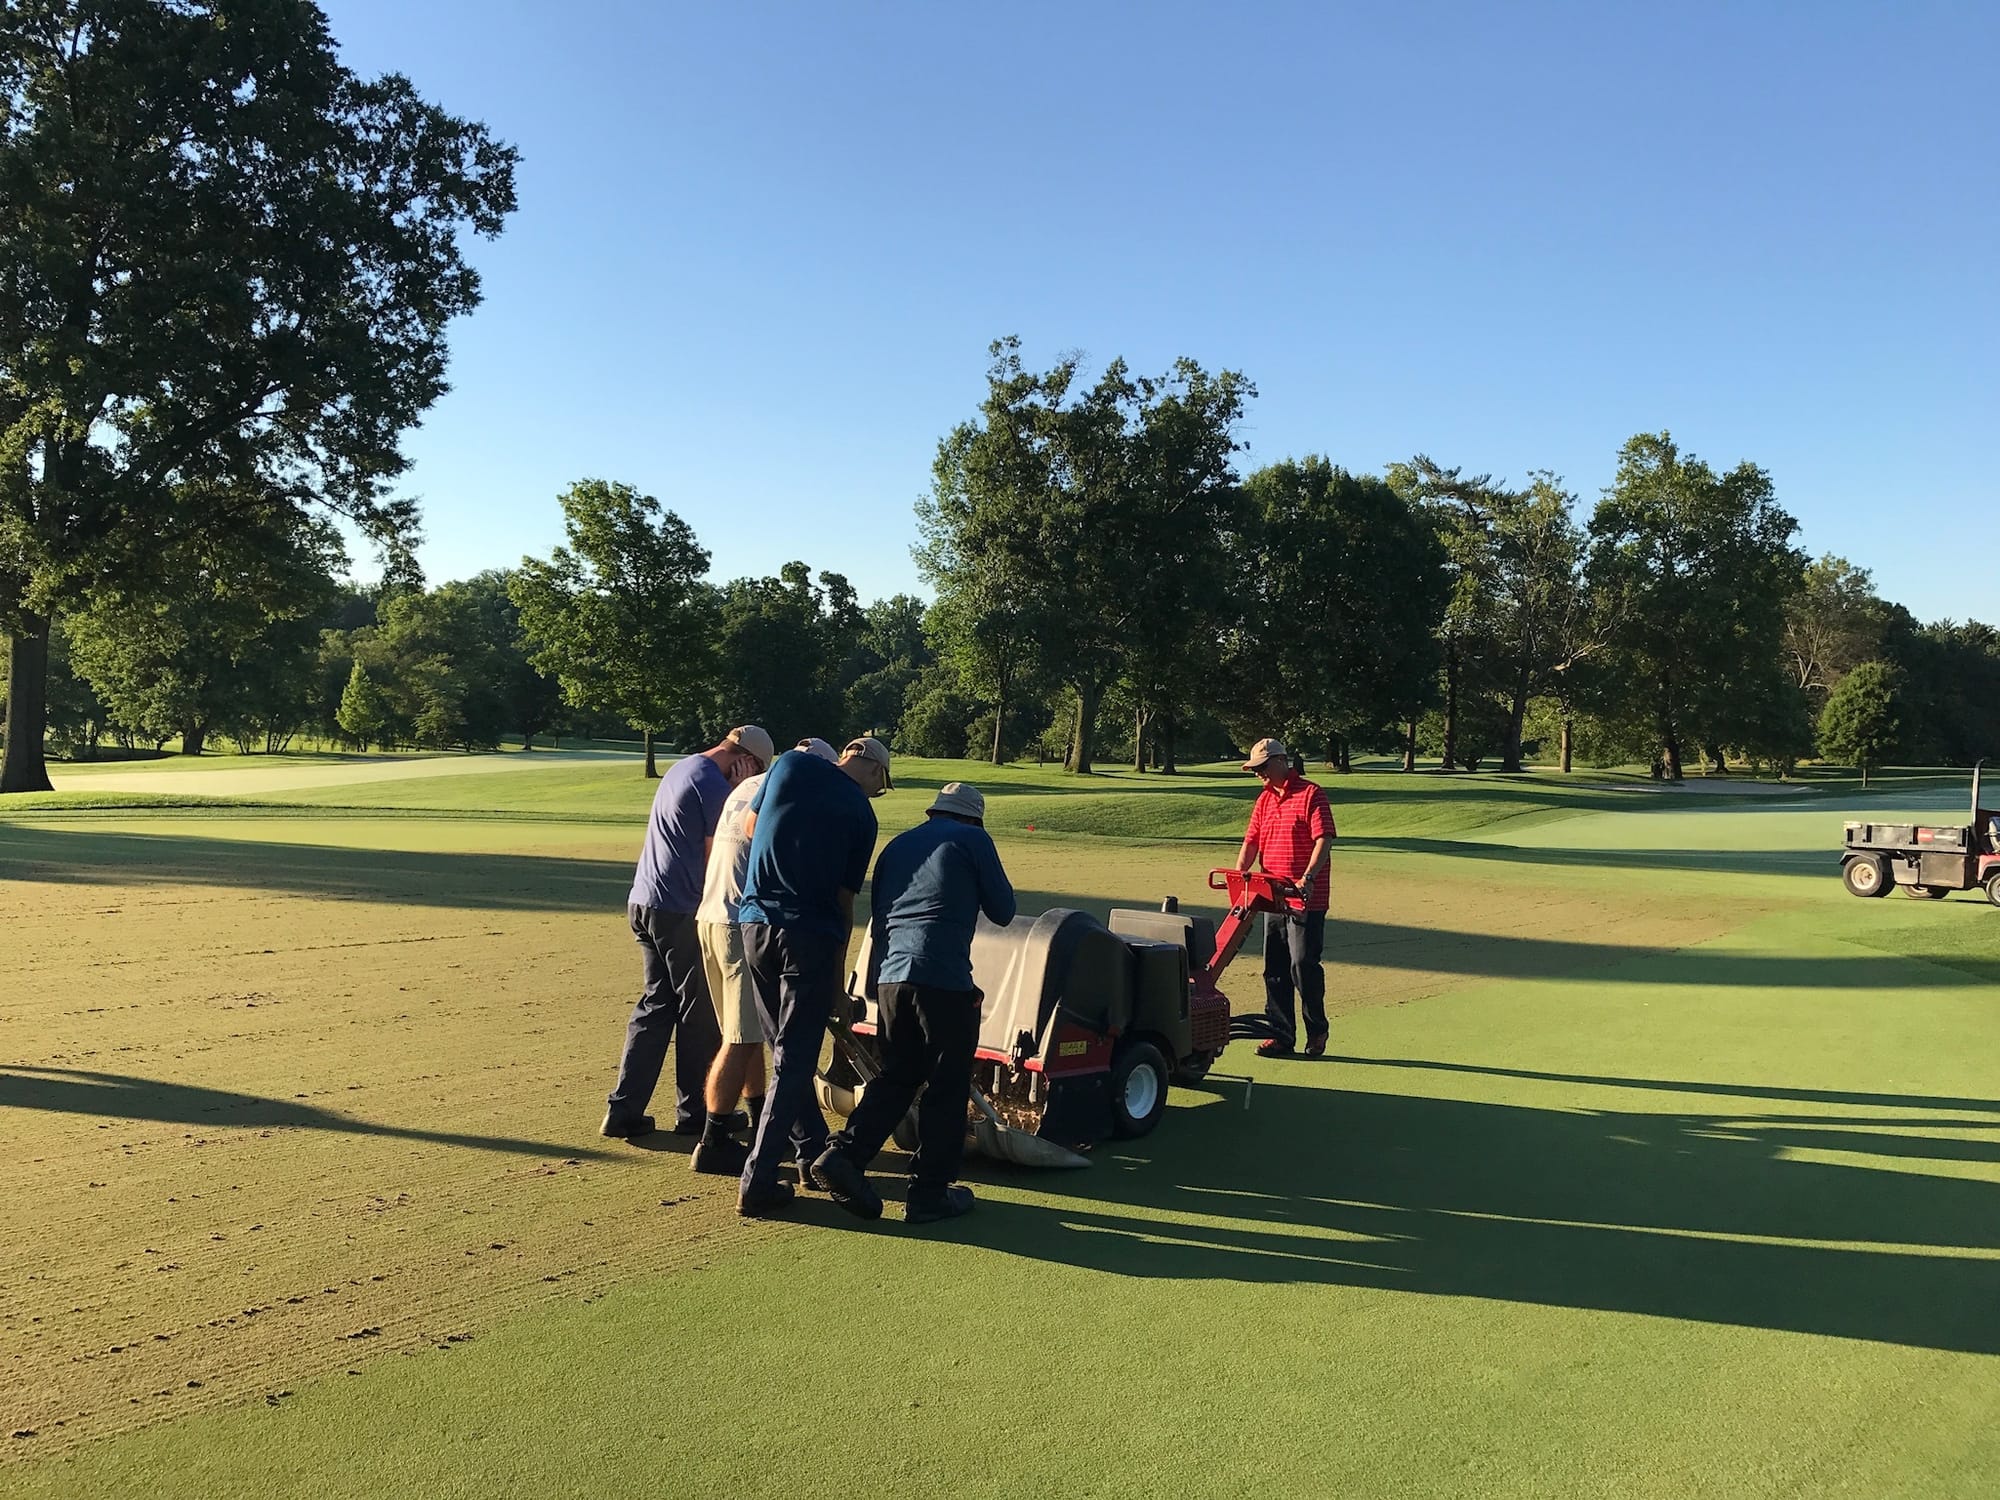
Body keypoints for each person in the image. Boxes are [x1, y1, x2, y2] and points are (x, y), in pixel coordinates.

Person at [813, 782, 1015, 1225]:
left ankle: (844, 1156)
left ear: (934, 812)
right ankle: (929, 1192)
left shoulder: (897, 845)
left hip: (889, 978)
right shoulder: (973, 839)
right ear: (973, 817)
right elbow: (1003, 909)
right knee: (947, 1084)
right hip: (941, 977)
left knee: (898, 1076)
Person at [733, 736, 891, 1216]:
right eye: (880, 782)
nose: (876, 791)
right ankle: (757, 1180)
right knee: (794, 1058)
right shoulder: (863, 816)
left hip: (755, 924)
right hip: (812, 935)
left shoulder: (789, 767)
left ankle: (808, 1152)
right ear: (869, 766)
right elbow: (844, 902)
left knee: (781, 1046)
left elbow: (750, 826)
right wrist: (840, 984)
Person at [601, 726, 773, 1139]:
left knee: (655, 1006)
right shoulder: (715, 785)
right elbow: (721, 853)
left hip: (644, 901)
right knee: (700, 1016)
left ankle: (623, 1110)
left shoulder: (683, 767)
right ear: (744, 760)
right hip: (681, 908)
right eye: (756, 770)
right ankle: (695, 1113)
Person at [688, 737, 841, 1176]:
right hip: (742, 924)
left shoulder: (747, 785)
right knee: (739, 1040)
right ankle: (714, 1141)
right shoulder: (790, 794)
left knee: (748, 1031)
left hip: (712, 916)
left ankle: (761, 1126)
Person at [1234, 737, 1335, 1058]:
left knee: (1302, 964)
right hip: (1272, 894)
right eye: (1255, 769)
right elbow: (1251, 841)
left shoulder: (1311, 794)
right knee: (1274, 968)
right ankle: (1281, 1035)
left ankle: (1316, 1031)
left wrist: (1308, 876)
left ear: (1281, 761)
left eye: (1263, 767)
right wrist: (1239, 874)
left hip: (1304, 897)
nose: (1259, 774)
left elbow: (1324, 839)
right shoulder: (1264, 799)